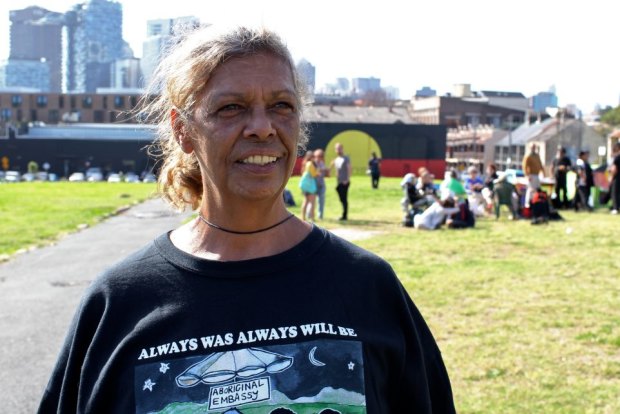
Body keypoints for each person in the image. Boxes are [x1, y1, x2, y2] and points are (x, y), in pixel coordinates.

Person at [37, 25, 455, 413]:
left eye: (281, 106)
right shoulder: (120, 301)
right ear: (183, 130)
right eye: (231, 108)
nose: (262, 127)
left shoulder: (368, 286)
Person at [331, 142, 352, 220]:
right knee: (341, 198)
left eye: (339, 148)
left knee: (344, 199)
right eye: (336, 148)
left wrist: (347, 179)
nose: (338, 150)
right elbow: (337, 170)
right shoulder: (337, 159)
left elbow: (349, 168)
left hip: (344, 181)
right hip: (339, 181)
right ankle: (344, 214)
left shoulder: (346, 158)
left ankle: (344, 216)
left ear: (342, 149)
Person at [522, 143, 545, 208]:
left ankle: (535, 202)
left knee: (537, 189)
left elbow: (540, 164)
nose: (534, 148)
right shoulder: (528, 156)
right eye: (532, 147)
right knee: (530, 189)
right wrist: (527, 175)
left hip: (537, 174)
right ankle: (528, 204)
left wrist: (543, 172)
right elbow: (525, 166)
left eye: (534, 147)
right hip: (531, 175)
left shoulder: (537, 156)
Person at [299, 150, 318, 221]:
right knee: (312, 202)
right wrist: (318, 172)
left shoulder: (305, 163)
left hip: (305, 185)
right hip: (310, 186)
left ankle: (303, 217)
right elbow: (314, 174)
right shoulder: (310, 164)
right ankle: (312, 218)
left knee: (305, 201)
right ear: (311, 157)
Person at [313, 148, 329, 219]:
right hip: (313, 184)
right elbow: (314, 172)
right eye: (318, 156)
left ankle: (320, 215)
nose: (319, 158)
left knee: (321, 200)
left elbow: (324, 174)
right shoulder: (313, 163)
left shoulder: (322, 163)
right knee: (312, 201)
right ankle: (309, 215)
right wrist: (323, 169)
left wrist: (327, 172)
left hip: (321, 184)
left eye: (321, 156)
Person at [609, 142, 620, 214]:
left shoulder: (617, 157)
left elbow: (614, 169)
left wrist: (611, 177)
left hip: (617, 177)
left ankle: (615, 208)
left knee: (615, 192)